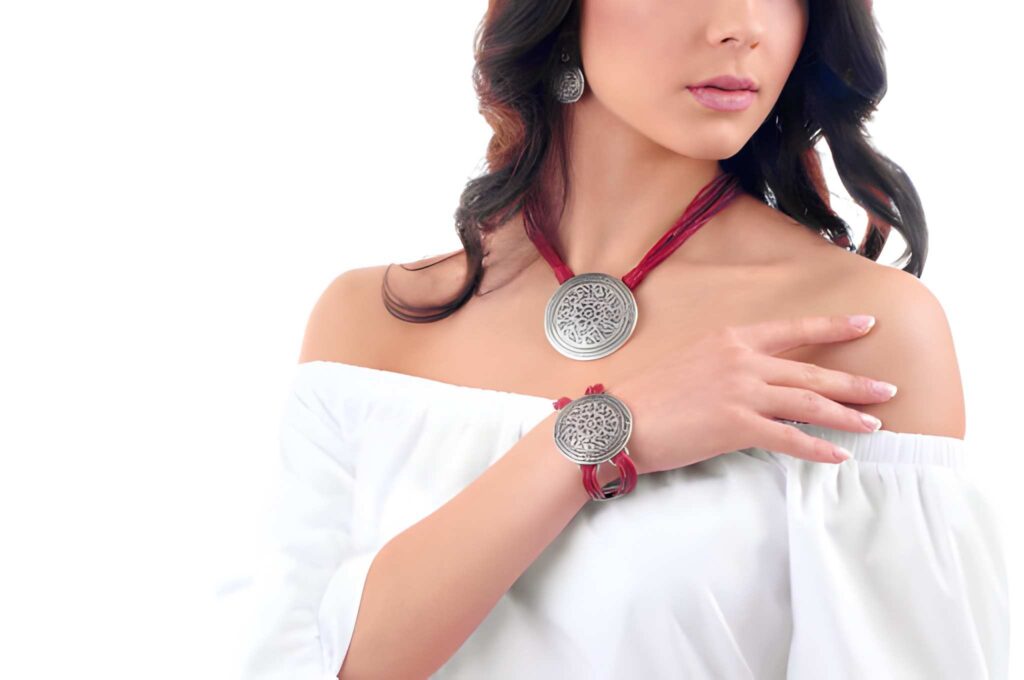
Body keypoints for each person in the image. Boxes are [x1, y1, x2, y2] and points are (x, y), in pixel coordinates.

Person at [235, 1, 1009, 678]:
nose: (741, 24)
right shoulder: (373, 321)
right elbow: (303, 661)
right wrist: (603, 432)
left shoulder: (857, 332)